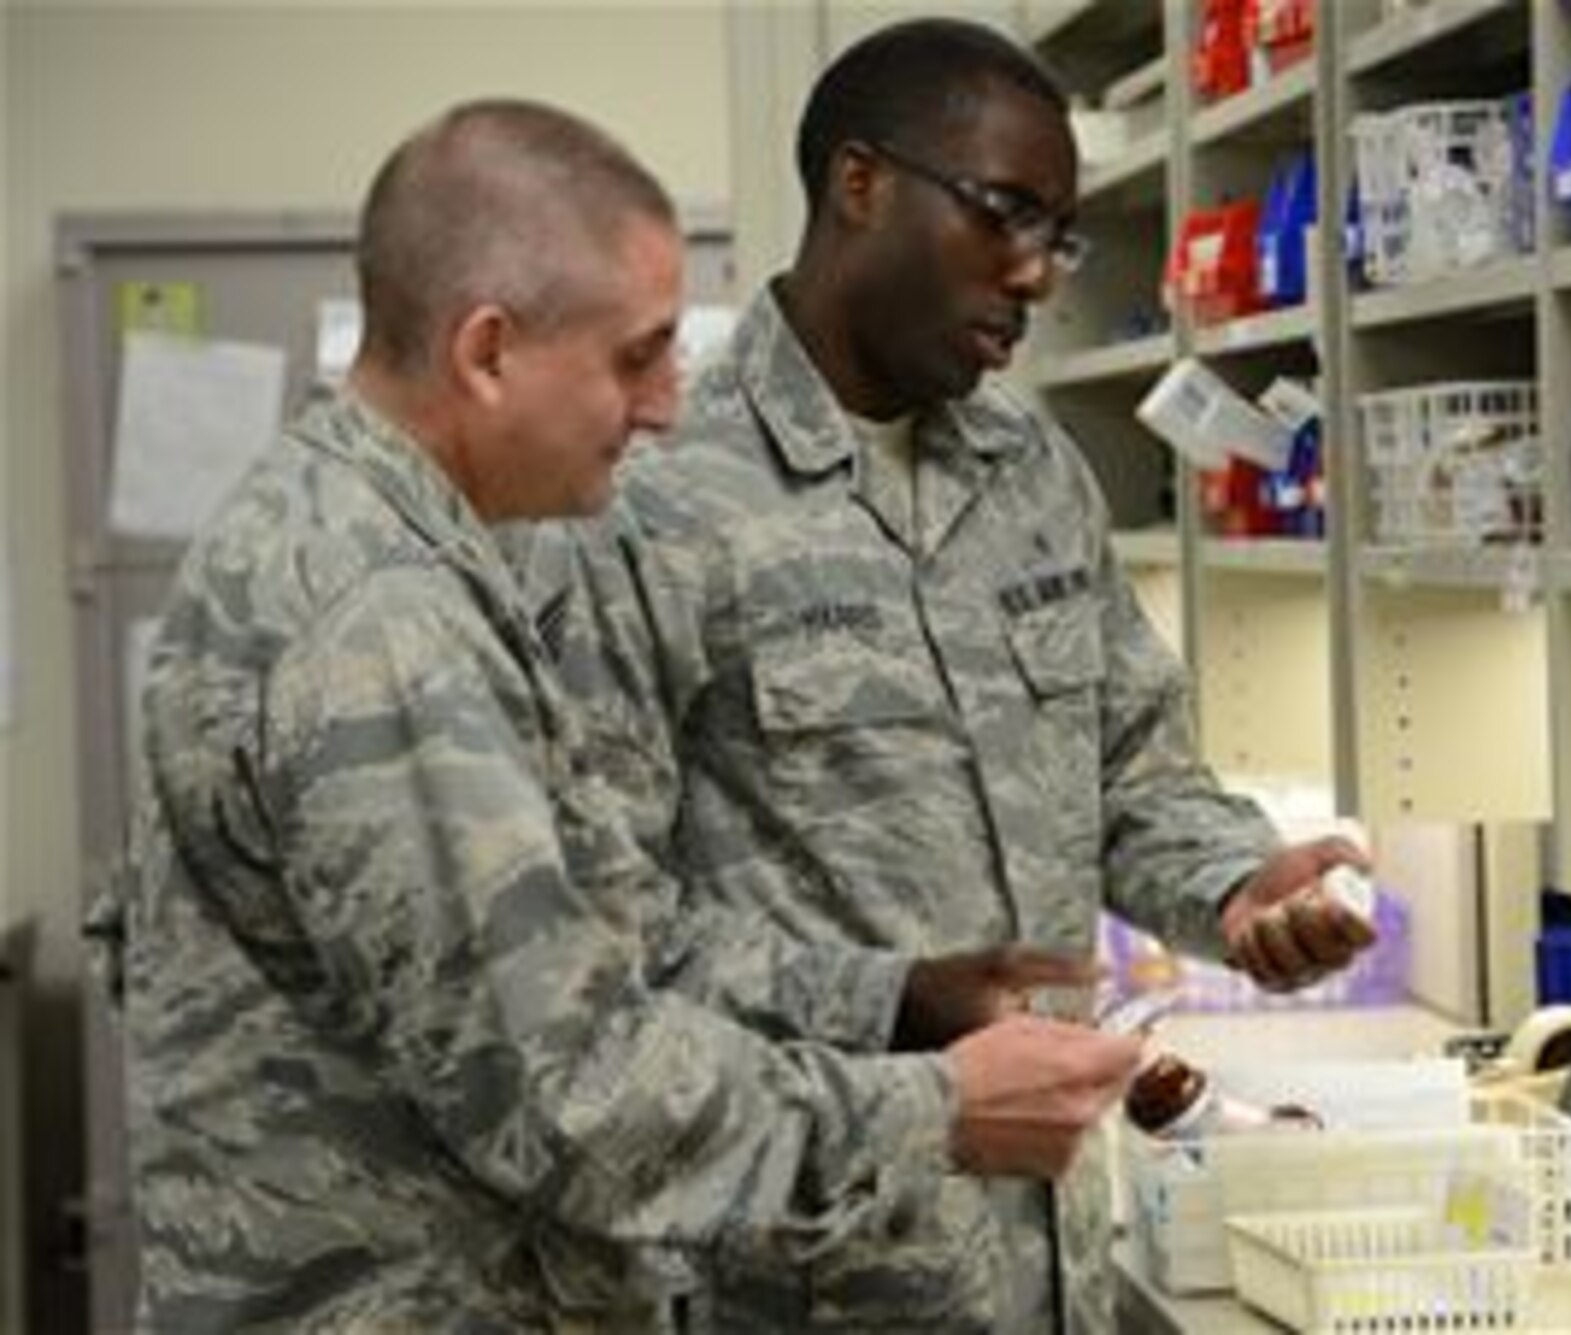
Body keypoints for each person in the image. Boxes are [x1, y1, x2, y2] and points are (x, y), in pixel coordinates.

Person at [111, 98, 1141, 1334]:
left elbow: (614, 937)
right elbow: (570, 1095)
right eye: (635, 356)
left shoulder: (420, 556)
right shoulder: (379, 623)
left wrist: (888, 1001)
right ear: (486, 354)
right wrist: (936, 1112)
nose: (664, 406)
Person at [527, 21, 1378, 1334]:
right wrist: (890, 997)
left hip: (1051, 1266)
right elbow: (600, 938)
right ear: (860, 184)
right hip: (800, 1275)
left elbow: (1133, 776)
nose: (1037, 275)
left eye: (1062, 235)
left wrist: (1239, 884)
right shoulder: (649, 498)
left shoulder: (1031, 475)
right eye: (1004, 214)